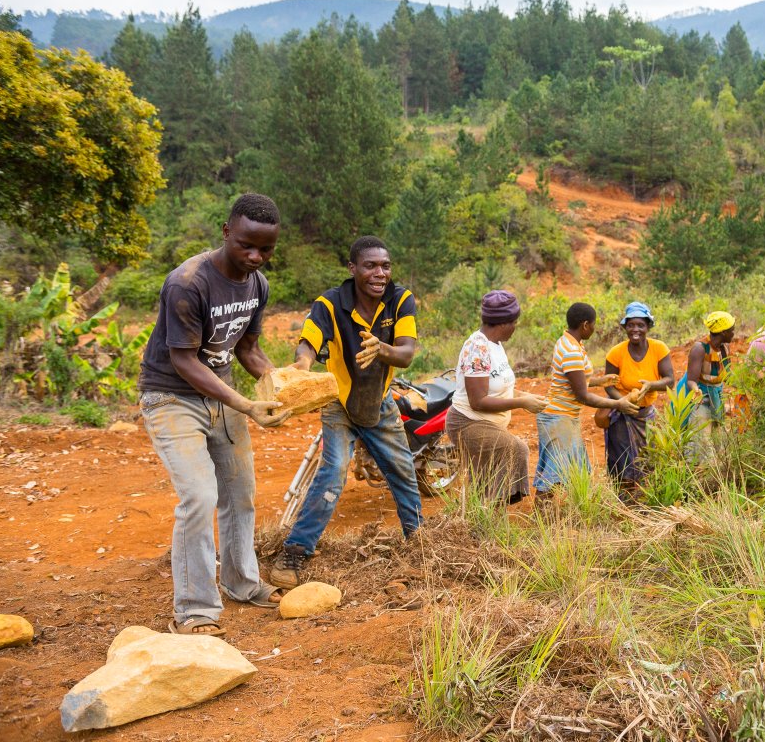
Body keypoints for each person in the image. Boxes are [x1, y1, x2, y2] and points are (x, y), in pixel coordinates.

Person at [137, 194, 291, 637]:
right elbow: (184, 361)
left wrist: (282, 386)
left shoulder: (257, 285)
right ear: (226, 232)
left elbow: (246, 349)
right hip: (171, 397)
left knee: (240, 494)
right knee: (200, 497)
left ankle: (242, 582)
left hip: (220, 395)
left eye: (266, 250)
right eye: (247, 246)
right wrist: (244, 404)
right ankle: (195, 610)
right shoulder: (188, 282)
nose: (256, 257)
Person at [271, 235, 423, 590]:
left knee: (402, 470)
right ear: (352, 268)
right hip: (339, 403)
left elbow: (405, 354)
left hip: (380, 403)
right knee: (334, 470)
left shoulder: (400, 300)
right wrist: (302, 368)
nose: (380, 272)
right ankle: (295, 550)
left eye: (385, 265)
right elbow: (308, 343)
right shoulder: (329, 303)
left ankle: (419, 543)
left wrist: (381, 347)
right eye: (370, 265)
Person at [445, 290, 546, 506]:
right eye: (514, 322)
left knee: (484, 481)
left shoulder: (496, 346)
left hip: (487, 423)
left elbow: (499, 388)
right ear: (503, 323)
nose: (515, 328)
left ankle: (478, 526)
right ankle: (485, 518)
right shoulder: (477, 348)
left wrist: (525, 396)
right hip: (468, 422)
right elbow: (478, 401)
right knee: (514, 448)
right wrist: (521, 403)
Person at [536, 303, 638, 507]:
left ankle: (567, 515)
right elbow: (582, 395)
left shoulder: (569, 342)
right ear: (584, 325)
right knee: (553, 474)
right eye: (593, 325)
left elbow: (575, 379)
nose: (594, 328)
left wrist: (600, 381)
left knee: (570, 469)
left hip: (564, 416)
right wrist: (618, 403)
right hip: (558, 417)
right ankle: (542, 518)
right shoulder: (572, 350)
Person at [602, 302, 674, 499]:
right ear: (625, 327)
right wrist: (623, 402)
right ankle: (623, 501)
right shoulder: (616, 353)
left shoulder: (659, 349)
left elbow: (670, 380)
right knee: (622, 459)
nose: (635, 330)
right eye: (631, 325)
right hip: (621, 413)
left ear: (648, 326)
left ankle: (643, 499)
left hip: (646, 414)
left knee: (647, 459)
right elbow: (609, 385)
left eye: (640, 325)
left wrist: (650, 385)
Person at [681, 311, 736, 448]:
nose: (734, 333)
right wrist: (696, 390)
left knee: (718, 437)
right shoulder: (699, 349)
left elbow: (727, 375)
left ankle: (717, 467)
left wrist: (744, 383)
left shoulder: (725, 347)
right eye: (732, 330)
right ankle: (698, 468)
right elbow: (691, 380)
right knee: (702, 440)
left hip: (717, 396)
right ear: (723, 332)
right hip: (702, 397)